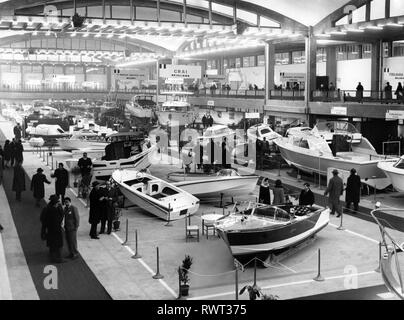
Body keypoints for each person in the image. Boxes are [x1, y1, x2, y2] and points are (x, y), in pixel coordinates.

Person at [40, 195, 65, 263]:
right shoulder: (49, 209)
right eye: (57, 202)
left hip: (54, 229)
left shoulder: (52, 207)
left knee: (54, 244)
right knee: (56, 244)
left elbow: (62, 214)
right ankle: (57, 258)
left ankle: (54, 257)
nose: (58, 204)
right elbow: (43, 219)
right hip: (53, 229)